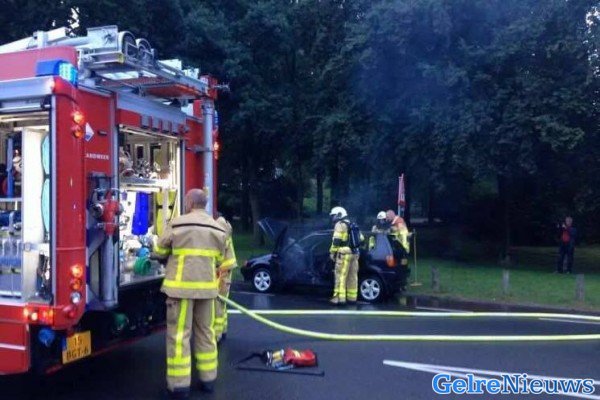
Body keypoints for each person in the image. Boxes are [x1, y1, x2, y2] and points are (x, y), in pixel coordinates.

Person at [152, 189, 231, 399]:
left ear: (188, 203)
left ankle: (179, 386)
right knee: (206, 333)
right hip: (207, 290)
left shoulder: (178, 224)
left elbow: (160, 251)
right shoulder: (218, 228)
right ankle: (208, 380)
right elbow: (219, 258)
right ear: (204, 204)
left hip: (180, 291)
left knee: (179, 336)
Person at [329, 206, 363, 305]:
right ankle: (352, 298)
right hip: (355, 254)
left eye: (334, 215)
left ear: (339, 215)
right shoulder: (352, 224)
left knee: (341, 276)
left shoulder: (339, 225)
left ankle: (339, 299)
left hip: (343, 254)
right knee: (352, 277)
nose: (333, 218)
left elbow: (336, 241)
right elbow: (361, 239)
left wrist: (332, 252)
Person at [214, 214, 237, 342]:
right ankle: (222, 330)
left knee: (217, 303)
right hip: (225, 270)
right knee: (222, 303)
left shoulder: (220, 226)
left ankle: (216, 335)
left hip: (223, 270)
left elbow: (219, 250)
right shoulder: (223, 225)